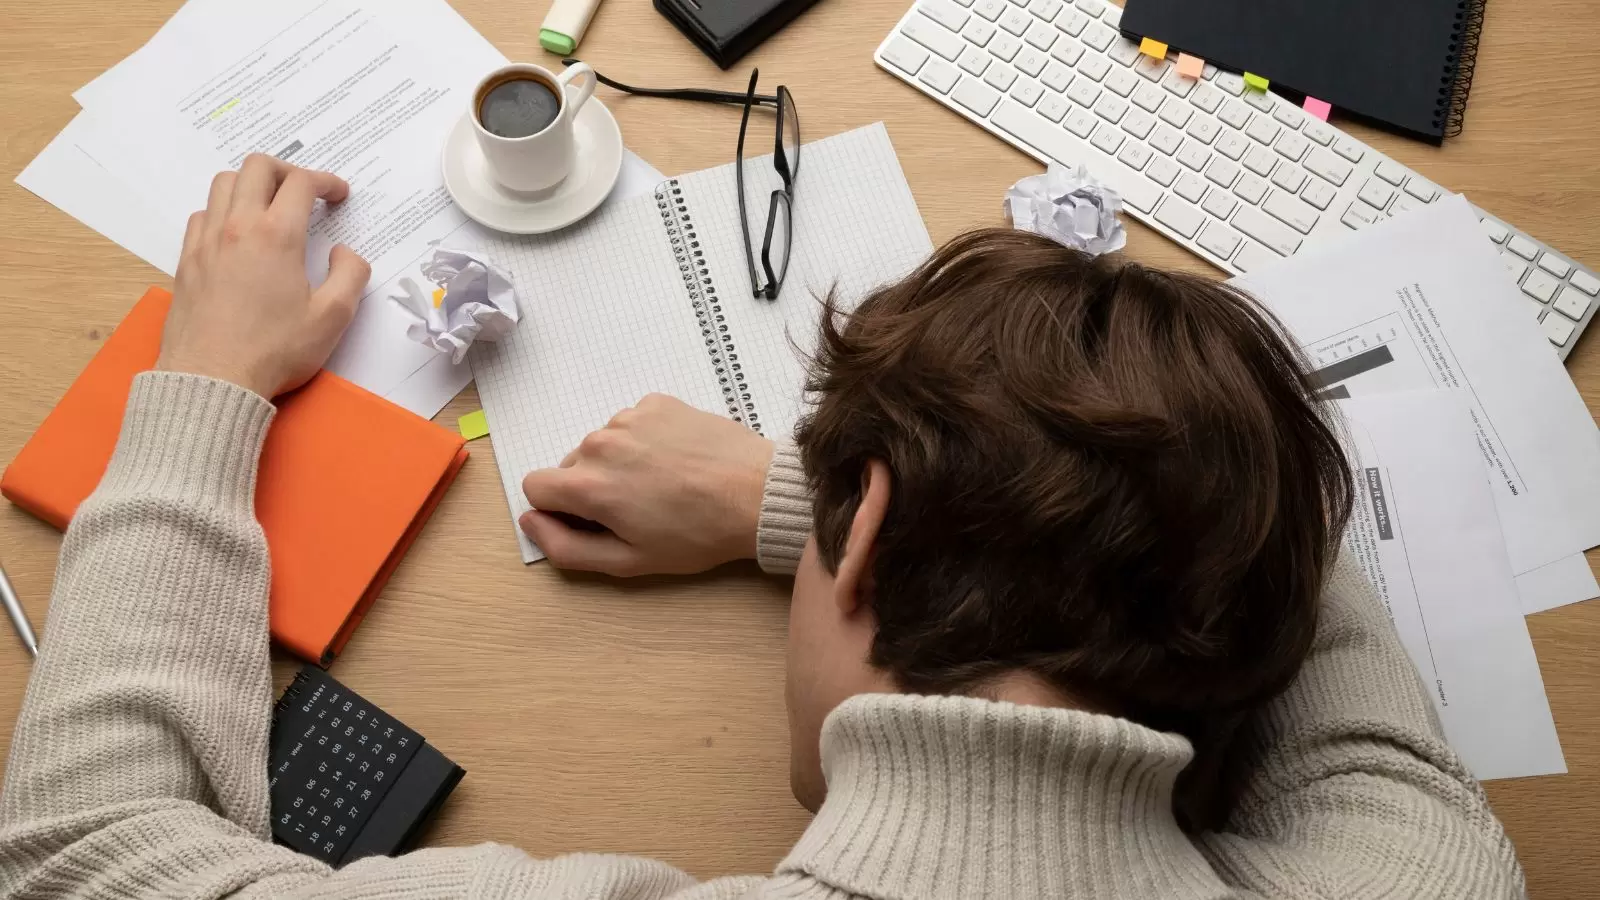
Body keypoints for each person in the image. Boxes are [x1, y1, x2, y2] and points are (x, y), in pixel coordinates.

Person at [0, 157, 1523, 899]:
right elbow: (1286, 537)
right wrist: (824, 503)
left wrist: (202, 381)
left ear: (855, 551)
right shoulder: (1419, 879)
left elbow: (76, 854)